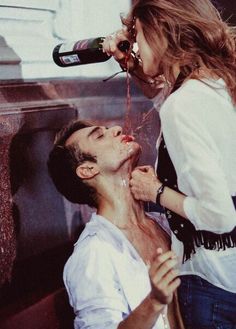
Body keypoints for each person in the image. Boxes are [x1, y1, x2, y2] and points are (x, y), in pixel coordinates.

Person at [102, 0, 236, 328]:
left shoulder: (184, 104)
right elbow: (173, 103)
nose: (134, 44)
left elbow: (219, 216)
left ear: (162, 32)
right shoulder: (214, 86)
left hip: (211, 285)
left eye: (138, 35)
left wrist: (156, 190)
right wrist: (134, 65)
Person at [47, 119, 185, 329]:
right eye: (100, 136)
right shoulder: (93, 253)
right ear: (87, 170)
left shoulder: (164, 223)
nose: (117, 129)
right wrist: (154, 301)